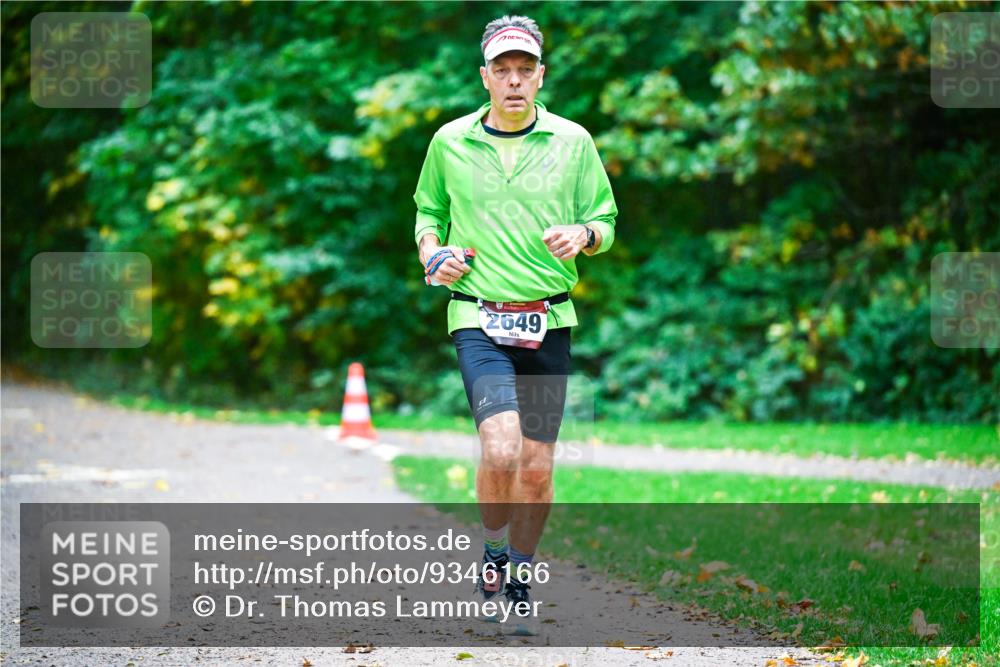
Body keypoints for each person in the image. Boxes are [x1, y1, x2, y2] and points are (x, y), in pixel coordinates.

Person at [413, 14, 618, 635]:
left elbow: (605, 221)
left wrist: (583, 234)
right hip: (477, 314)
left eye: (524, 69)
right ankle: (494, 549)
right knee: (500, 445)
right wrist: (432, 254)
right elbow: (428, 213)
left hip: (550, 317)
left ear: (540, 75)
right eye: (501, 69)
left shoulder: (573, 141)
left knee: (536, 465)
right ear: (484, 77)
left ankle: (521, 575)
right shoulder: (450, 142)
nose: (513, 80)